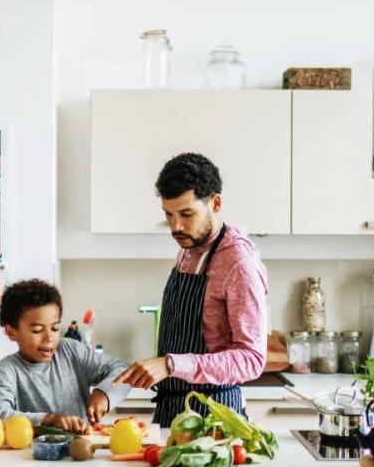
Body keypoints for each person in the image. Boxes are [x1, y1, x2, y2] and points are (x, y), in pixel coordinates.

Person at [114, 153, 269, 426]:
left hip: (213, 417)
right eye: (168, 214)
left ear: (215, 203)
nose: (176, 226)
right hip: (172, 409)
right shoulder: (189, 248)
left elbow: (251, 359)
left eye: (187, 214)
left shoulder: (239, 264)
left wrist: (171, 364)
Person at [0, 279, 129, 433]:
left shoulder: (70, 350)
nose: (49, 338)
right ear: (11, 332)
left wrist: (104, 393)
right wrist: (50, 419)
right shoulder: (6, 370)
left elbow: (122, 370)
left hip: (82, 449)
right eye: (37, 330)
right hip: (31, 454)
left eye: (54, 328)